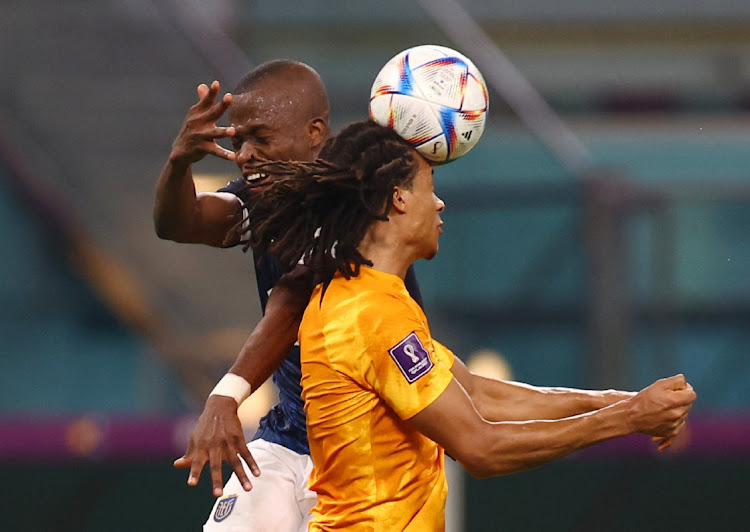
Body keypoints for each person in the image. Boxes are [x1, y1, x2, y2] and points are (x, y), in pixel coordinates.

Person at [237, 119, 697, 530]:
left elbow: (478, 394)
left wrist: (627, 402)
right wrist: (629, 419)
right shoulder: (369, 315)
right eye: (428, 184)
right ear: (398, 199)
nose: (438, 203)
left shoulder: (369, 298)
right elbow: (479, 446)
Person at [153, 60, 424, 531]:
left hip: (368, 451)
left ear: (315, 132)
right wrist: (180, 161)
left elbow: (293, 299)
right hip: (289, 437)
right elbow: (180, 222)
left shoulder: (363, 201)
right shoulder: (268, 196)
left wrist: (225, 396)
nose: (245, 156)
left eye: (260, 137)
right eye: (238, 143)